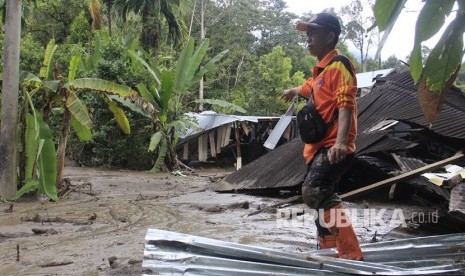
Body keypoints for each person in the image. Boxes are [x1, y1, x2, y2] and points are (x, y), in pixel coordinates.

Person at [281, 12, 363, 261]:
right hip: (317, 149)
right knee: (322, 199)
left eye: (313, 33)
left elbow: (345, 104)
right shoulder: (321, 72)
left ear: (330, 36)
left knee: (314, 191)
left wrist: (340, 142)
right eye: (307, 33)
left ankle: (351, 254)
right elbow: (308, 88)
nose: (308, 37)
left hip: (333, 147)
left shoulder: (340, 65)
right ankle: (329, 251)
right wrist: (293, 90)